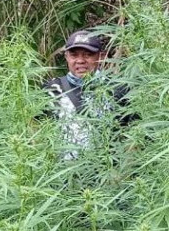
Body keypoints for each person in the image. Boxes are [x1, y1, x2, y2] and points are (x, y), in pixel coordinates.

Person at [44, 30, 134, 160]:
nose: (80, 61)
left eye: (88, 55)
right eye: (74, 55)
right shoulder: (52, 89)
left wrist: (122, 172)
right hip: (64, 174)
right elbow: (35, 129)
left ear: (101, 56)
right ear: (66, 57)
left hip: (107, 173)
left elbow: (134, 134)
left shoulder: (118, 88)